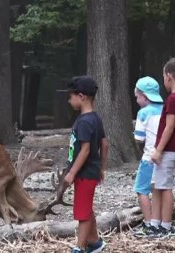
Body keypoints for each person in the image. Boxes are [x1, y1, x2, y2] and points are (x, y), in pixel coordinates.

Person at [64, 76, 109, 253]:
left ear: (81, 97)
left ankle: (80, 247)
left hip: (83, 173)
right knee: (87, 208)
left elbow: (85, 150)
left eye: (71, 96)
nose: (69, 100)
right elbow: (104, 144)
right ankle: (95, 243)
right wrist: (102, 168)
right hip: (92, 171)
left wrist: (72, 173)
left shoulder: (83, 121)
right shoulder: (95, 118)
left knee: (82, 214)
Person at [148, 58, 175, 238]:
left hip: (168, 150)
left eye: (164, 76)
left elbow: (169, 126)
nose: (163, 80)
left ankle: (166, 225)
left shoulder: (173, 100)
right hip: (169, 149)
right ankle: (155, 223)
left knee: (165, 187)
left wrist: (159, 150)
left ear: (169, 77)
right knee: (157, 186)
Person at [131, 76, 163, 237]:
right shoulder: (166, 110)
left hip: (149, 158)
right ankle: (162, 223)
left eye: (137, 97)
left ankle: (149, 223)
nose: (136, 100)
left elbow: (139, 139)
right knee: (159, 190)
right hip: (165, 158)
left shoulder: (143, 113)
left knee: (141, 190)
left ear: (144, 96)